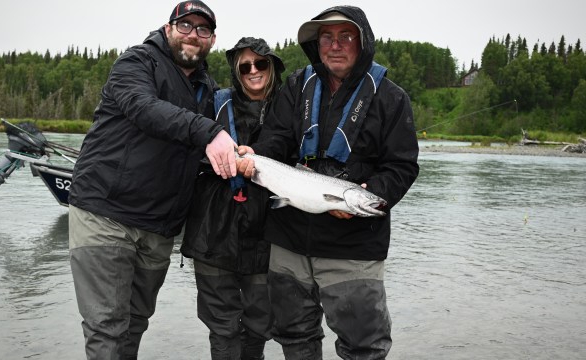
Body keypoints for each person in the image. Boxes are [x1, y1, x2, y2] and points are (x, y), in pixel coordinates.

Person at [236, 5, 420, 360]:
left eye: (345, 36)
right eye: (326, 37)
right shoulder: (294, 86)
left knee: (363, 346)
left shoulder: (392, 98)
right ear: (315, 44)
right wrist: (252, 155)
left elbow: (402, 166)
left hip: (354, 248)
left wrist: (372, 195)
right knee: (294, 337)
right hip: (288, 240)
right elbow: (276, 140)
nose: (335, 45)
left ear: (362, 42)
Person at [67, 1, 238, 359]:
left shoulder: (207, 87)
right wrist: (210, 132)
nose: (193, 34)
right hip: (106, 215)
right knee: (107, 326)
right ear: (168, 27)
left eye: (203, 29)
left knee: (134, 322)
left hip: (159, 227)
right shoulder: (136, 62)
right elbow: (144, 109)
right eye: (185, 25)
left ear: (212, 39)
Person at [181, 37, 285, 360]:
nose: (253, 70)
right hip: (213, 233)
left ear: (272, 67)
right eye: (245, 66)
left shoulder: (289, 107)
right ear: (236, 72)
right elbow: (188, 144)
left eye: (261, 63)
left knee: (260, 322)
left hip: (266, 236)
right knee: (222, 327)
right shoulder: (214, 102)